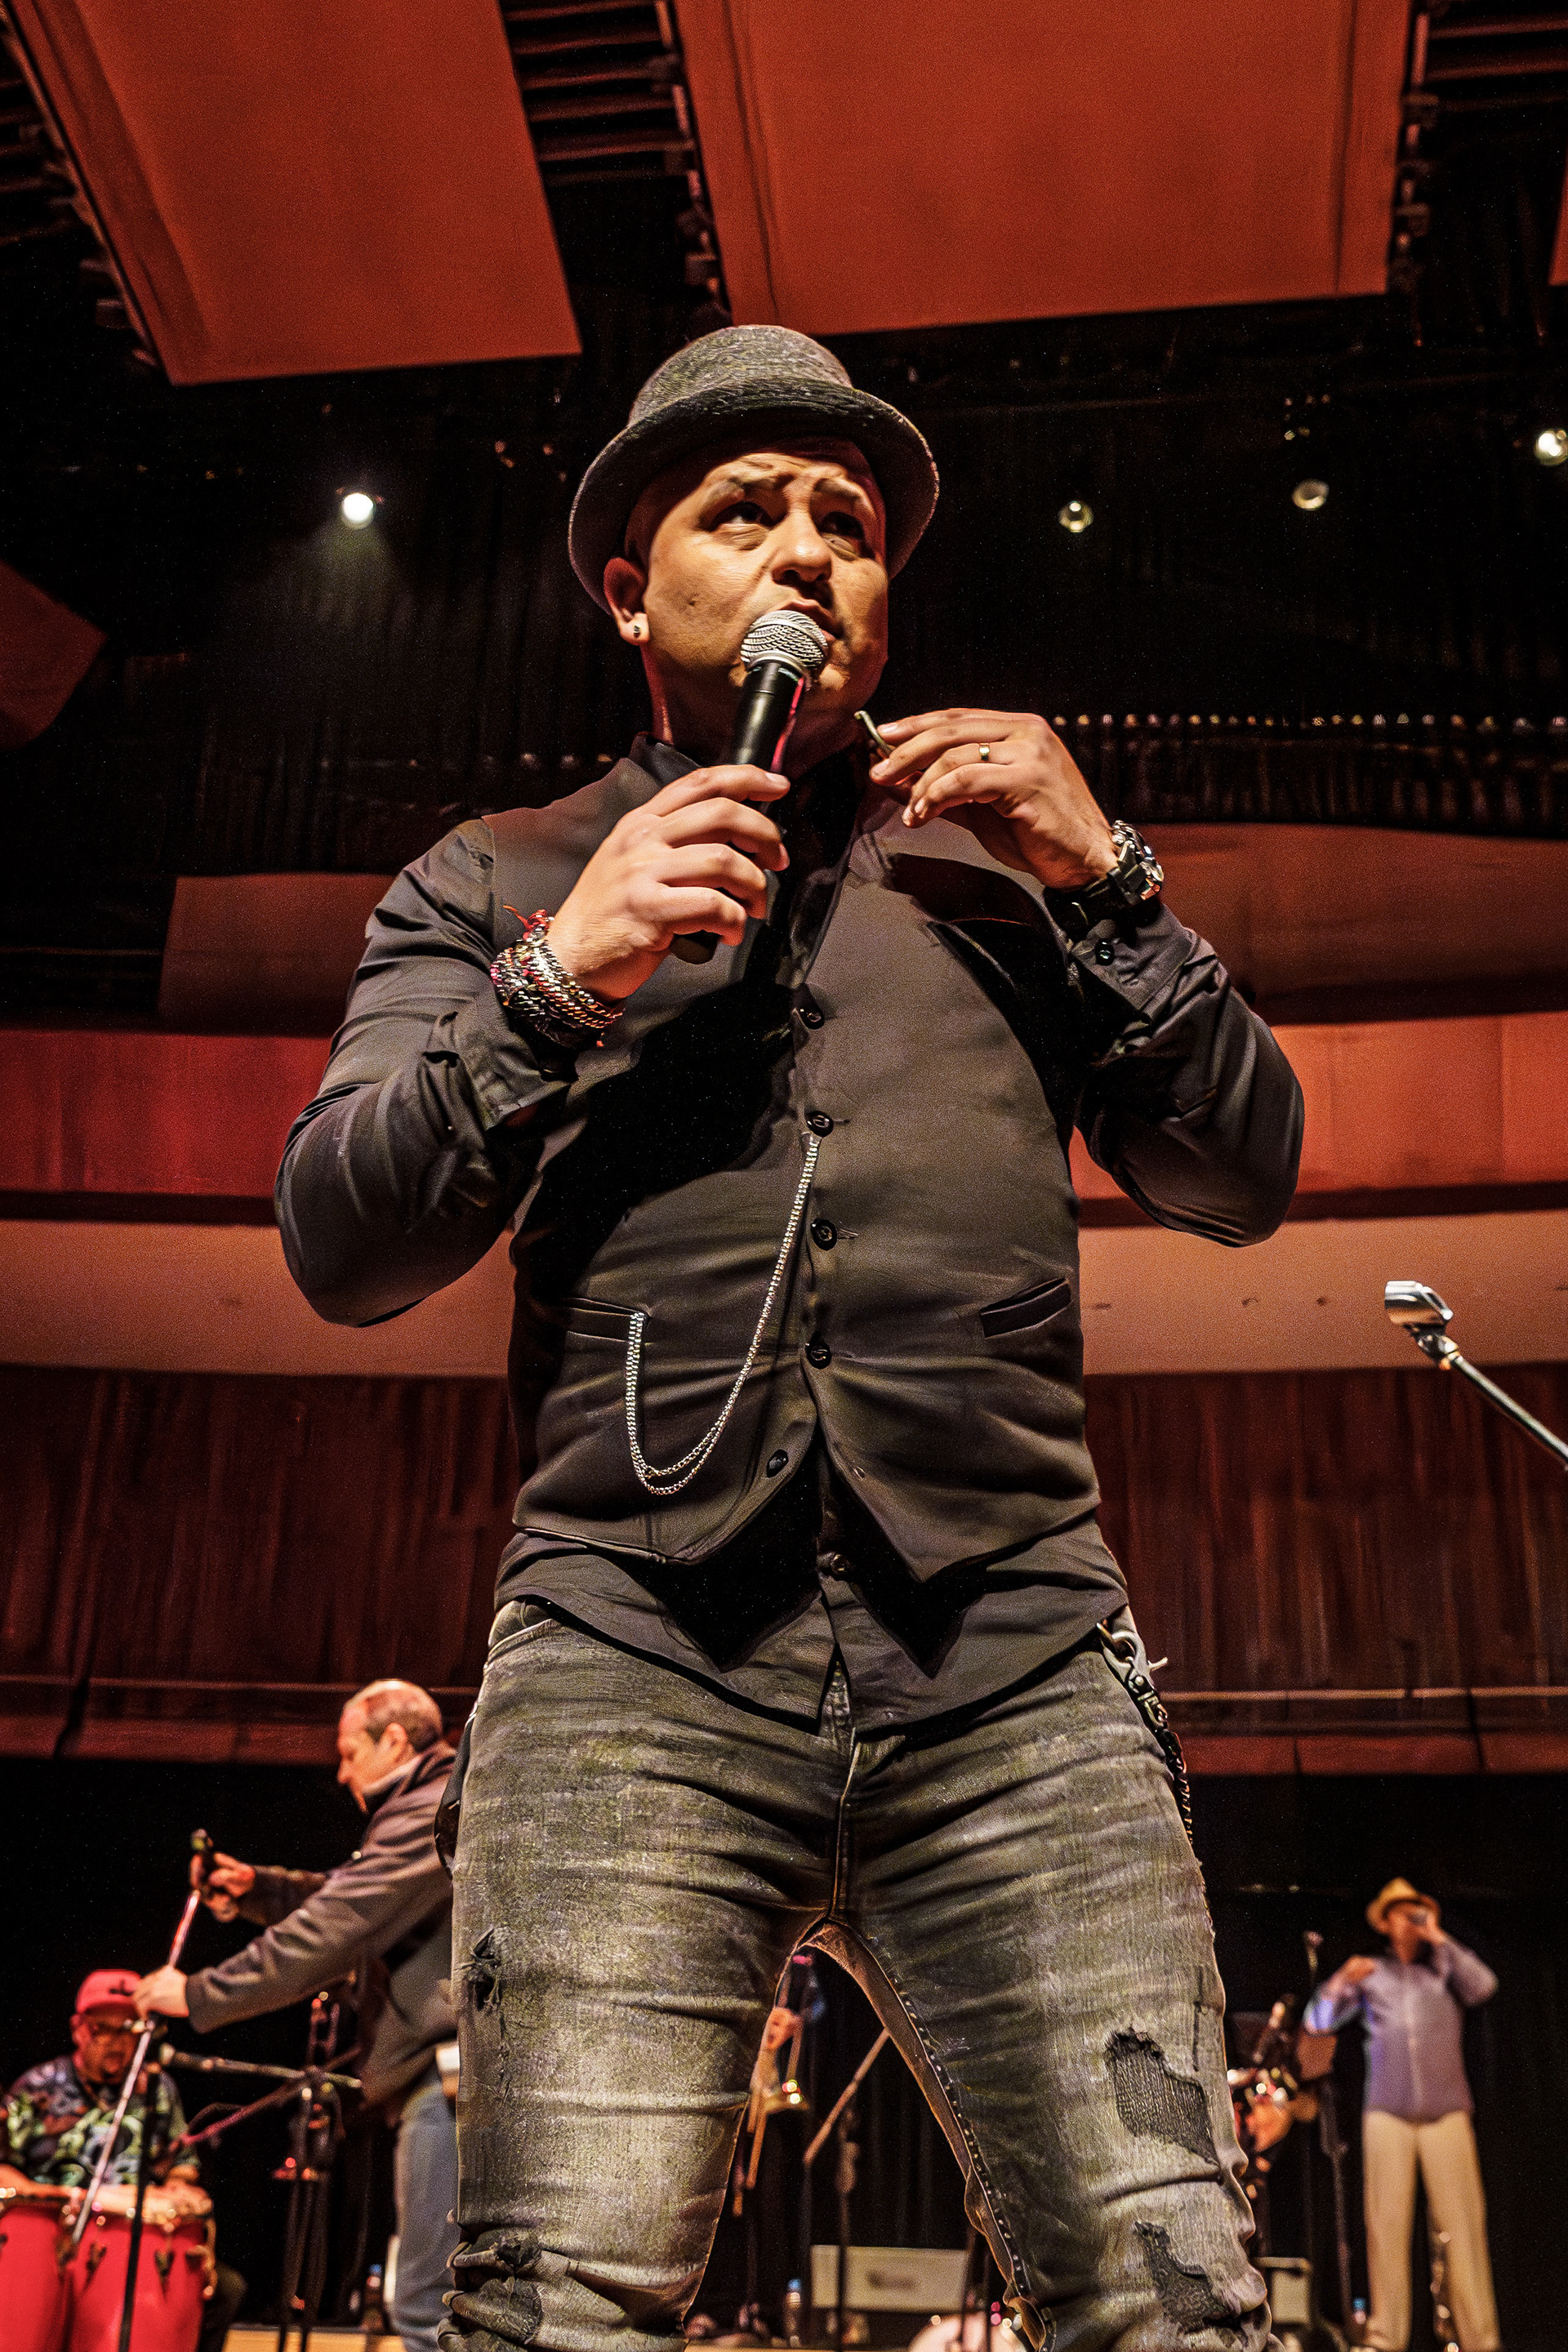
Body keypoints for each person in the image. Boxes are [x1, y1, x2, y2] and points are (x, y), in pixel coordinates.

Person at [274, 325, 1305, 2352]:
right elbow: (341, 1239)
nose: (809, 551)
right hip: (626, 1666)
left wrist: (1111, 877)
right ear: (624, 587)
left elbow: (1243, 1171)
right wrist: (557, 982)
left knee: (1175, 2299)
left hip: (1014, 1665)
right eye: (744, 513)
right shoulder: (498, 878)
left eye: (847, 520)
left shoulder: (1009, 875)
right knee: (558, 2310)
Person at [134, 1678, 459, 2352]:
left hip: (447, 2079)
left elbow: (337, 1926)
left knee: (427, 2305)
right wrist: (261, 1890)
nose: (341, 1773)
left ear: (394, 1740)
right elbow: (353, 1899)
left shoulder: (430, 1807)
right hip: (440, 2077)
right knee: (436, 2297)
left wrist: (198, 1994)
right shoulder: (429, 1805)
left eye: (349, 1752)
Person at [2, 1969, 245, 2351]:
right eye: (104, 2029)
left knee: (225, 2289)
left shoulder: (158, 2090)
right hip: (54, 2238)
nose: (117, 2042)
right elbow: (3, 2167)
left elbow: (183, 2166)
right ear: (79, 2029)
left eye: (129, 2029)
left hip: (130, 2239)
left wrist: (177, 2191)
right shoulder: (38, 2086)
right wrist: (57, 2197)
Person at [1306, 1878, 1499, 2352]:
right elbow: (1317, 2021)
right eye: (1401, 1912)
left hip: (1446, 2113)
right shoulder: (1372, 1974)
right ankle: (1386, 2338)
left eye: (1416, 1911)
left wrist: (1441, 1939)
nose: (1410, 1919)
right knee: (1386, 2226)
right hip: (1387, 2114)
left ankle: (1481, 2340)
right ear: (1386, 1922)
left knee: (1463, 2228)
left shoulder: (1443, 1971)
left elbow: (1485, 1987)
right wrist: (1340, 1980)